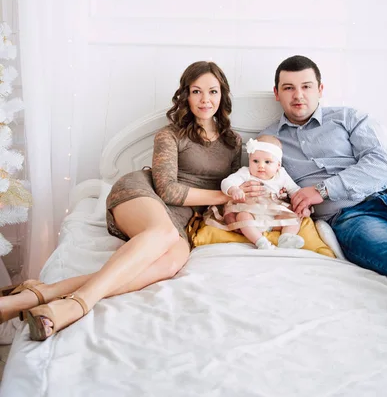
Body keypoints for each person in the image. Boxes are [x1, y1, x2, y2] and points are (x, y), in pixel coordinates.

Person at [0, 61, 242, 339]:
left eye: (212, 91)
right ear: (186, 96)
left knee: (170, 264)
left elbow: (235, 186)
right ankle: (77, 305)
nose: (205, 100)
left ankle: (39, 294)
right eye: (196, 91)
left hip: (183, 218)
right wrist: (223, 195)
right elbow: (169, 191)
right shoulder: (170, 134)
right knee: (161, 233)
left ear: (222, 94)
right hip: (141, 193)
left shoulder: (233, 143)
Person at [256, 54, 387, 286]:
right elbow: (267, 185)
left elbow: (382, 162)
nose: (298, 95)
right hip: (352, 217)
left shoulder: (349, 117)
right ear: (277, 93)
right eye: (288, 88)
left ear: (320, 89)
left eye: (306, 86)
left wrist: (322, 190)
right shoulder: (268, 142)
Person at [205, 135, 307, 250]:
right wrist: (234, 189)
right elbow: (227, 181)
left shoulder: (282, 175)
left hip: (274, 216)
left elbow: (295, 190)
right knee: (242, 217)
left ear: (278, 165)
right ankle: (261, 242)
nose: (261, 166)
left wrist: (303, 205)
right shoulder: (246, 173)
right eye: (255, 161)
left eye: (268, 162)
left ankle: (286, 238)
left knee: (294, 217)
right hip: (251, 213)